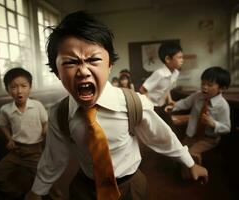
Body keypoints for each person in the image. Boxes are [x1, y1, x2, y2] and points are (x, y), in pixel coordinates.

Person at [25, 11, 208, 200]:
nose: (83, 71)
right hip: (85, 189)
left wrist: (189, 163)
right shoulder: (59, 113)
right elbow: (54, 157)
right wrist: (37, 190)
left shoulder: (132, 103)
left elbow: (161, 137)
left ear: (110, 64)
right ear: (57, 73)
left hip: (130, 187)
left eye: (93, 59)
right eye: (70, 62)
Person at [0, 67, 48, 199]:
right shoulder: (5, 110)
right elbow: (2, 125)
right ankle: (18, 194)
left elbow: (45, 122)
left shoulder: (37, 105)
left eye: (23, 86)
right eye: (13, 87)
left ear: (30, 87)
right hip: (16, 152)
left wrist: (45, 131)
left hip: (35, 152)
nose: (19, 91)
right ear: (8, 90)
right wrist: (10, 139)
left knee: (46, 182)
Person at [165, 66, 231, 165]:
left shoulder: (223, 106)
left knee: (192, 154)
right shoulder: (197, 96)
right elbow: (185, 103)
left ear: (222, 88)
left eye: (209, 85)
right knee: (180, 152)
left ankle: (197, 177)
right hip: (192, 134)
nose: (204, 87)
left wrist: (213, 124)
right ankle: (183, 173)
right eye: (203, 83)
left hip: (209, 139)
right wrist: (173, 107)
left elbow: (227, 128)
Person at [139, 42, 183, 125]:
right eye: (179, 57)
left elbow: (168, 88)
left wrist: (170, 100)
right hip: (152, 107)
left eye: (182, 57)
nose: (182, 60)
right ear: (168, 59)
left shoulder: (176, 73)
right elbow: (142, 89)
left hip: (162, 106)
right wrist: (149, 105)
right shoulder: (160, 73)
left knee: (169, 126)